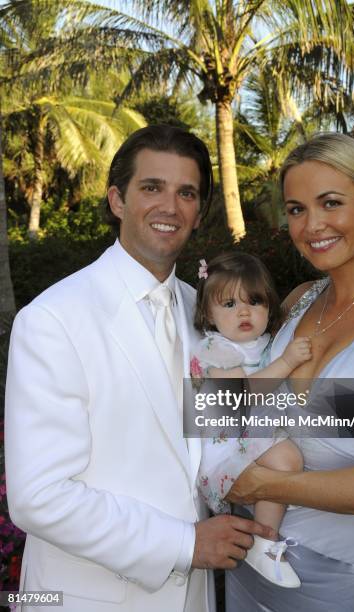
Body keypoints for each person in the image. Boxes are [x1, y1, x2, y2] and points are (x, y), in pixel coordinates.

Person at [4, 125, 273, 612]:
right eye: (152, 187)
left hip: (193, 599)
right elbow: (38, 496)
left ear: (197, 212)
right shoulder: (52, 319)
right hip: (88, 597)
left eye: (186, 192)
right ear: (117, 200)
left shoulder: (208, 318)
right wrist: (185, 544)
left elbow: (232, 426)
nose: (170, 206)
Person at [224, 132, 354, 612]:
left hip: (336, 579)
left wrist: (261, 485)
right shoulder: (297, 300)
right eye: (296, 209)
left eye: (330, 202)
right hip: (241, 557)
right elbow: (240, 403)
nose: (312, 225)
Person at [191, 251, 312, 587]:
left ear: (269, 307)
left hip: (251, 434)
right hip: (224, 445)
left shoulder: (265, 344)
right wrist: (287, 362)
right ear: (208, 314)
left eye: (254, 302)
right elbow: (243, 394)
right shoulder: (215, 349)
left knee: (286, 459)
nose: (243, 311)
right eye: (229, 304)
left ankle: (264, 539)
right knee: (287, 459)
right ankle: (266, 542)